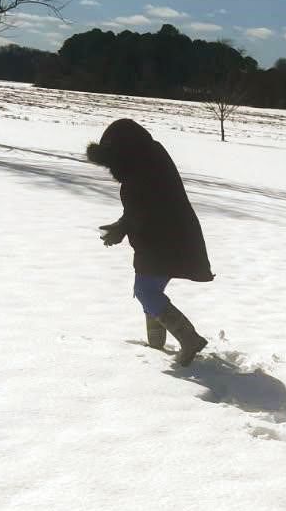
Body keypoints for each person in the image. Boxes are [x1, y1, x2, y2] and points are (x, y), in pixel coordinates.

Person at [86, 118, 213, 366]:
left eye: (111, 161)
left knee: (146, 291)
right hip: (167, 238)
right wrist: (122, 227)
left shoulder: (142, 171)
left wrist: (121, 230)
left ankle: (190, 340)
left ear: (122, 154)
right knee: (149, 291)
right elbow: (140, 209)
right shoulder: (147, 161)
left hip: (164, 241)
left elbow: (145, 210)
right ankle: (155, 345)